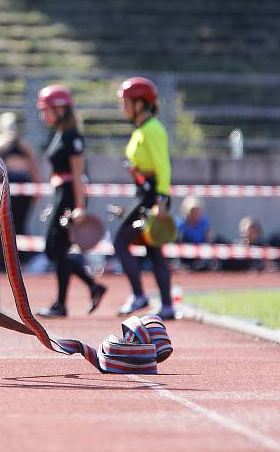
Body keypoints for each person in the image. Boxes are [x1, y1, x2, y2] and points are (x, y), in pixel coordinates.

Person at [34, 85, 107, 317]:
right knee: (56, 249)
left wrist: (79, 208)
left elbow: (76, 175)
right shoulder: (59, 133)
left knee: (57, 248)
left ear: (60, 109)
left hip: (69, 195)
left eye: (46, 109)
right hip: (60, 194)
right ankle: (91, 287)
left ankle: (62, 304)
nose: (43, 115)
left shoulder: (73, 136)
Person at [114, 77, 174, 320]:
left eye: (126, 102)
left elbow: (164, 167)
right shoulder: (140, 130)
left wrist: (161, 200)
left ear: (140, 102)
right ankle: (168, 305)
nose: (123, 107)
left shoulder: (153, 130)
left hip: (153, 198)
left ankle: (139, 295)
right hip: (145, 196)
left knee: (120, 241)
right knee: (153, 250)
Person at [0, 111, 41, 262]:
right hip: (11, 185)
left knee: (16, 223)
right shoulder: (2, 143)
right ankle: (9, 258)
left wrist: (36, 188)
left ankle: (19, 258)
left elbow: (32, 166)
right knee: (10, 224)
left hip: (19, 185)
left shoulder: (13, 143)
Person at [176, 195, 214, 271]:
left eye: (197, 210)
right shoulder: (179, 224)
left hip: (201, 253)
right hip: (186, 256)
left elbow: (209, 240)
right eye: (192, 211)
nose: (195, 213)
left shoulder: (204, 223)